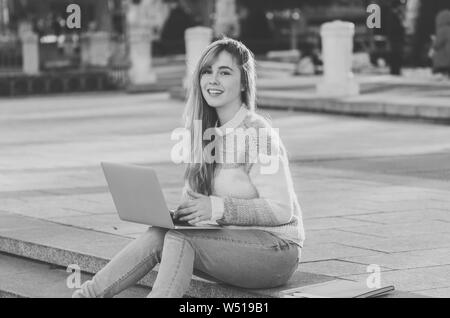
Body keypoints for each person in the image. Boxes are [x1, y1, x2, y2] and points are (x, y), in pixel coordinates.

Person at [72, 38, 305, 298]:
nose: (213, 79)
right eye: (207, 71)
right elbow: (200, 205)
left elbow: (281, 210)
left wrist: (217, 207)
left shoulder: (258, 133)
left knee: (181, 239)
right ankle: (85, 296)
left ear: (243, 82)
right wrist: (183, 213)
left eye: (224, 72)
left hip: (276, 251)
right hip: (230, 244)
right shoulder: (203, 133)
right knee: (163, 232)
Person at [432, 10, 450, 77]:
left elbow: (438, 43)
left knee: (441, 68)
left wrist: (434, 46)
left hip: (443, 54)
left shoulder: (442, 30)